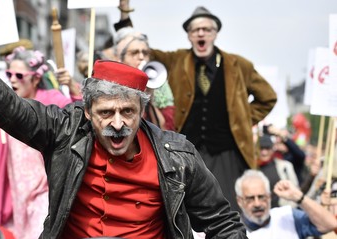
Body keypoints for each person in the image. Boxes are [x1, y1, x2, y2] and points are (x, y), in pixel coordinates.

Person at [0, 44, 252, 239]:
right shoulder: (63, 131)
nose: (118, 124)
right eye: (105, 113)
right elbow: (13, 110)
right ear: (86, 111)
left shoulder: (178, 155)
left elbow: (223, 223)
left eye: (127, 112)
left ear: (141, 111)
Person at [118, 1, 277, 211]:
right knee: (187, 209)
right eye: (195, 30)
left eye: (207, 29)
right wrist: (124, 20)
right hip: (187, 151)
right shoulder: (176, 60)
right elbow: (141, 51)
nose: (201, 34)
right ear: (189, 35)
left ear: (215, 33)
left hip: (227, 154)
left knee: (228, 211)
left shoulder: (239, 65)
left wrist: (243, 120)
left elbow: (268, 97)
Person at [0, 46, 81, 239]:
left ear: (35, 78)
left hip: (45, 192)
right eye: (9, 74)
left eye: (19, 75)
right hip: (16, 195)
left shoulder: (52, 99)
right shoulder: (7, 104)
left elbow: (80, 115)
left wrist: (72, 86)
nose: (13, 79)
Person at [235, 170, 337, 239]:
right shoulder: (232, 234)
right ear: (240, 201)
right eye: (250, 199)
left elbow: (330, 224)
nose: (257, 204)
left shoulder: (287, 216)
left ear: (269, 196)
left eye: (261, 197)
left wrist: (298, 197)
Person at [112, 27, 175, 131]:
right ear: (121, 59)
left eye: (145, 53)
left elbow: (165, 128)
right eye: (134, 53)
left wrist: (149, 97)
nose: (141, 57)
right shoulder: (112, 85)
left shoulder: (158, 83)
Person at [257, 134, 299, 208]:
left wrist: (289, 209)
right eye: (261, 149)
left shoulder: (285, 166)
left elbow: (295, 190)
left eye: (267, 148)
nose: (264, 152)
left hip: (282, 212)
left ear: (273, 149)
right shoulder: (252, 169)